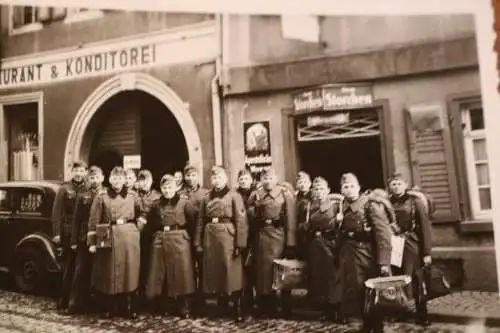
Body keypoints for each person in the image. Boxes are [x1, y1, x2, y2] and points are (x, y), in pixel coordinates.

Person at [87, 166, 146, 318]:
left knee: (129, 272)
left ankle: (128, 307)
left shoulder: (133, 195)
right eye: (115, 178)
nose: (117, 181)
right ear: (110, 179)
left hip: (129, 237)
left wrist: (138, 227)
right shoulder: (102, 196)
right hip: (109, 236)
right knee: (109, 272)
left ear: (124, 180)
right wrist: (92, 242)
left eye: (120, 178)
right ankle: (109, 307)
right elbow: (94, 220)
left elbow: (142, 212)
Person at [336, 173, 392, 326]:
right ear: (341, 190)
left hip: (367, 254)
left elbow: (383, 234)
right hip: (349, 254)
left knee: (371, 292)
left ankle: (377, 326)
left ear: (359, 188)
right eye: (345, 187)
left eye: (352, 186)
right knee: (356, 292)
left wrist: (384, 262)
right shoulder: (343, 207)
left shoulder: (370, 205)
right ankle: (366, 325)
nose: (349, 190)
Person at [194, 166, 248, 322]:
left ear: (226, 179)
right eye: (214, 178)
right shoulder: (206, 198)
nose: (216, 181)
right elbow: (200, 221)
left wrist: (240, 244)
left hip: (228, 239)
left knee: (232, 273)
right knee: (215, 273)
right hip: (210, 238)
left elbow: (241, 221)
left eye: (219, 177)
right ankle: (221, 306)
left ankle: (237, 307)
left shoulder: (234, 196)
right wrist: (197, 241)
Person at [247, 167, 297, 318]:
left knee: (281, 271)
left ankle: (286, 306)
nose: (267, 181)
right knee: (263, 273)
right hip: (262, 237)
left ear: (276, 178)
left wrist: (290, 243)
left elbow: (291, 219)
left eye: (270, 178)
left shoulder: (284, 193)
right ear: (261, 180)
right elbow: (249, 213)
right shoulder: (256, 194)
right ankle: (266, 305)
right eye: (264, 178)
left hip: (279, 236)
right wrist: (253, 208)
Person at [146, 174, 196, 318]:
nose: (167, 190)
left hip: (180, 239)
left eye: (170, 187)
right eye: (164, 187)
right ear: (161, 188)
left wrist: (191, 241)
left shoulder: (184, 203)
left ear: (176, 187)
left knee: (182, 274)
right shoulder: (156, 204)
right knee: (162, 273)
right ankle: (165, 305)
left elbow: (192, 221)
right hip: (161, 239)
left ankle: (184, 306)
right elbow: (151, 224)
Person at [388, 172, 432, 326]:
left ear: (405, 185)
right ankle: (400, 311)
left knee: (416, 279)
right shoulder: (387, 203)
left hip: (412, 243)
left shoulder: (415, 202)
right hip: (394, 243)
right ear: (389, 186)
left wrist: (426, 252)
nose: (396, 186)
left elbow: (425, 228)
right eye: (393, 184)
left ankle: (422, 314)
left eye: (399, 183)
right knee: (397, 278)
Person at [300, 176, 344, 323]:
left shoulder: (335, 205)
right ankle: (326, 310)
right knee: (319, 278)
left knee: (334, 278)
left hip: (330, 244)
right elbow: (302, 225)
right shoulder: (308, 206)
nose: (318, 192)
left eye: (321, 189)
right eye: (316, 189)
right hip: (315, 245)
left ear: (328, 190)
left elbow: (340, 227)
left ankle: (338, 309)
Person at [67, 165, 105, 314]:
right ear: (88, 179)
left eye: (97, 177)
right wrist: (74, 240)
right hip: (84, 237)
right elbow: (76, 219)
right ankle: (75, 303)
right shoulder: (83, 196)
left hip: (102, 236)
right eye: (92, 177)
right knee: (80, 270)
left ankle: (98, 304)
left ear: (102, 178)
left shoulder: (106, 194)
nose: (94, 180)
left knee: (100, 271)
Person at [52, 160, 89, 312]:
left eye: (81, 171)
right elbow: (57, 212)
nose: (79, 173)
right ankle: (64, 299)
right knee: (68, 268)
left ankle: (76, 302)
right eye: (76, 171)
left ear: (85, 172)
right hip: (67, 233)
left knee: (81, 269)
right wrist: (57, 234)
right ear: (72, 172)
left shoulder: (88, 188)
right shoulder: (64, 189)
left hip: (83, 234)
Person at [178, 164, 209, 314]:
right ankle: (187, 301)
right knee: (187, 268)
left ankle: (201, 299)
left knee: (203, 267)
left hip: (202, 235)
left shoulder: (205, 193)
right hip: (184, 235)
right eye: (188, 175)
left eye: (193, 175)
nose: (190, 178)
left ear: (198, 176)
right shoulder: (180, 193)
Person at [135, 169, 161, 310]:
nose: (144, 183)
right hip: (137, 236)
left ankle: (151, 298)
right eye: (141, 180)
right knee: (138, 266)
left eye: (147, 180)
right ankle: (138, 298)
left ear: (151, 181)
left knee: (152, 266)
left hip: (152, 235)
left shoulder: (157, 196)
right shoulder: (133, 195)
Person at [235, 168, 257, 313]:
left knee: (257, 268)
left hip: (256, 233)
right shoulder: (235, 194)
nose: (243, 181)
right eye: (241, 179)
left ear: (251, 180)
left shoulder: (257, 194)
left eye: (246, 179)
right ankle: (246, 300)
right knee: (243, 269)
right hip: (242, 234)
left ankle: (260, 299)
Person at [295, 171, 312, 260]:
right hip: (298, 229)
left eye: (305, 182)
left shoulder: (314, 195)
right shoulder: (295, 197)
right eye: (300, 182)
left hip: (310, 229)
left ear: (310, 183)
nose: (303, 185)